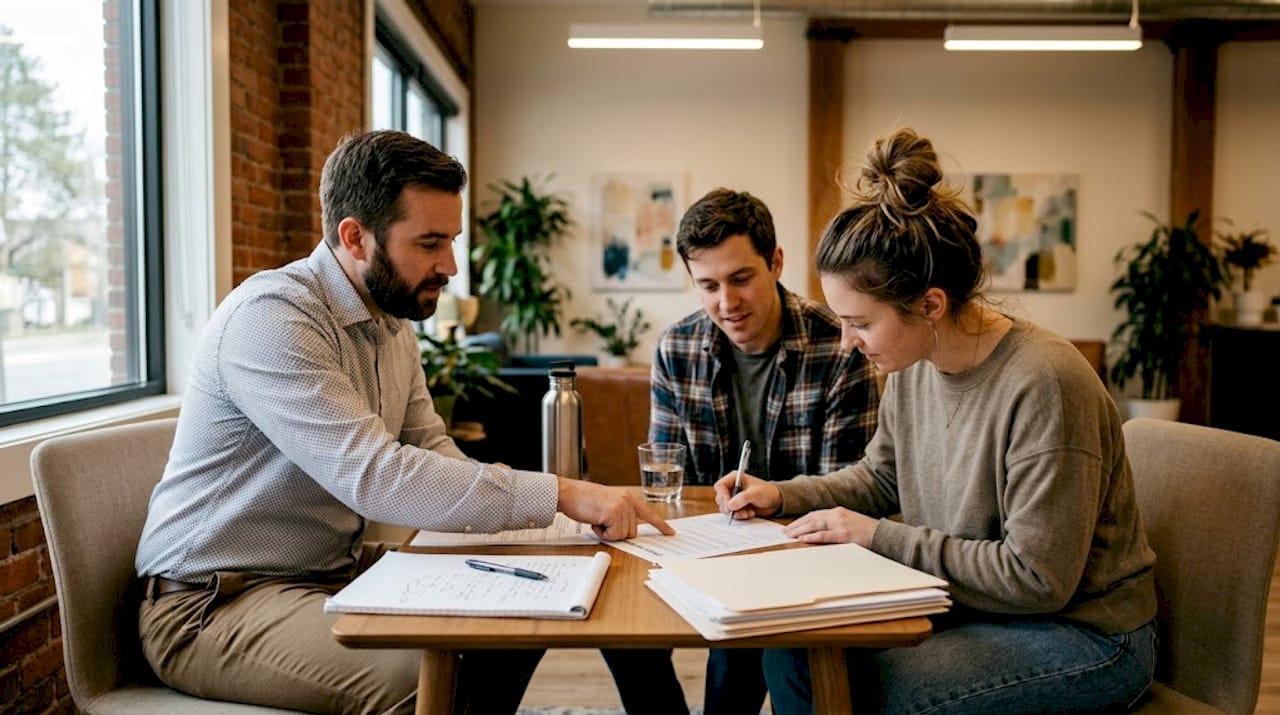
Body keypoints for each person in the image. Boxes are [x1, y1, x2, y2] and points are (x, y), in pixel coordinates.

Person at [134, 129, 673, 715]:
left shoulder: (392, 324)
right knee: (424, 682)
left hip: (326, 573)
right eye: (430, 242)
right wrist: (562, 494)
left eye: (452, 241)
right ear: (354, 237)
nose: (450, 266)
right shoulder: (274, 318)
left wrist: (536, 527)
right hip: (215, 601)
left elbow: (431, 449)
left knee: (524, 614)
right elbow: (375, 475)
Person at [719, 127, 1157, 714]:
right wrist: (780, 495)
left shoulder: (1044, 383)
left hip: (1086, 636)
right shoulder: (912, 364)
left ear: (930, 304)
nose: (847, 343)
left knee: (856, 690)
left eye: (861, 323)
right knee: (793, 655)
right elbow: (880, 479)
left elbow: (1036, 578)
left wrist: (876, 535)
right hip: (981, 610)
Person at [603, 188, 880, 714]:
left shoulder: (839, 346)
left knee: (739, 657)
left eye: (740, 279)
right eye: (707, 285)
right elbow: (670, 482)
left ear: (776, 262)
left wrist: (771, 505)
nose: (726, 304)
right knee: (616, 619)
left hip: (800, 549)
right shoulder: (677, 347)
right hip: (710, 540)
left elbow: (852, 492)